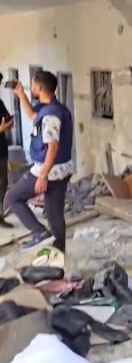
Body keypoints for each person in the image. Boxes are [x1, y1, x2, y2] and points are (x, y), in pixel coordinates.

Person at [7, 71, 73, 251]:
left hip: (49, 169)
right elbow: (33, 116)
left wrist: (43, 176)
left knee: (13, 198)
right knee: (54, 214)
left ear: (40, 88)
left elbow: (53, 147)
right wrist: (20, 93)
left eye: (33, 85)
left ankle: (40, 232)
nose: (32, 88)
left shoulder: (51, 116)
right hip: (63, 169)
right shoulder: (53, 108)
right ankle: (58, 255)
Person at [0, 73, 15, 228]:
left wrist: (10, 123)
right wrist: (1, 129)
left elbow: (8, 119)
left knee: (2, 183)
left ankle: (0, 216)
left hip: (1, 150)